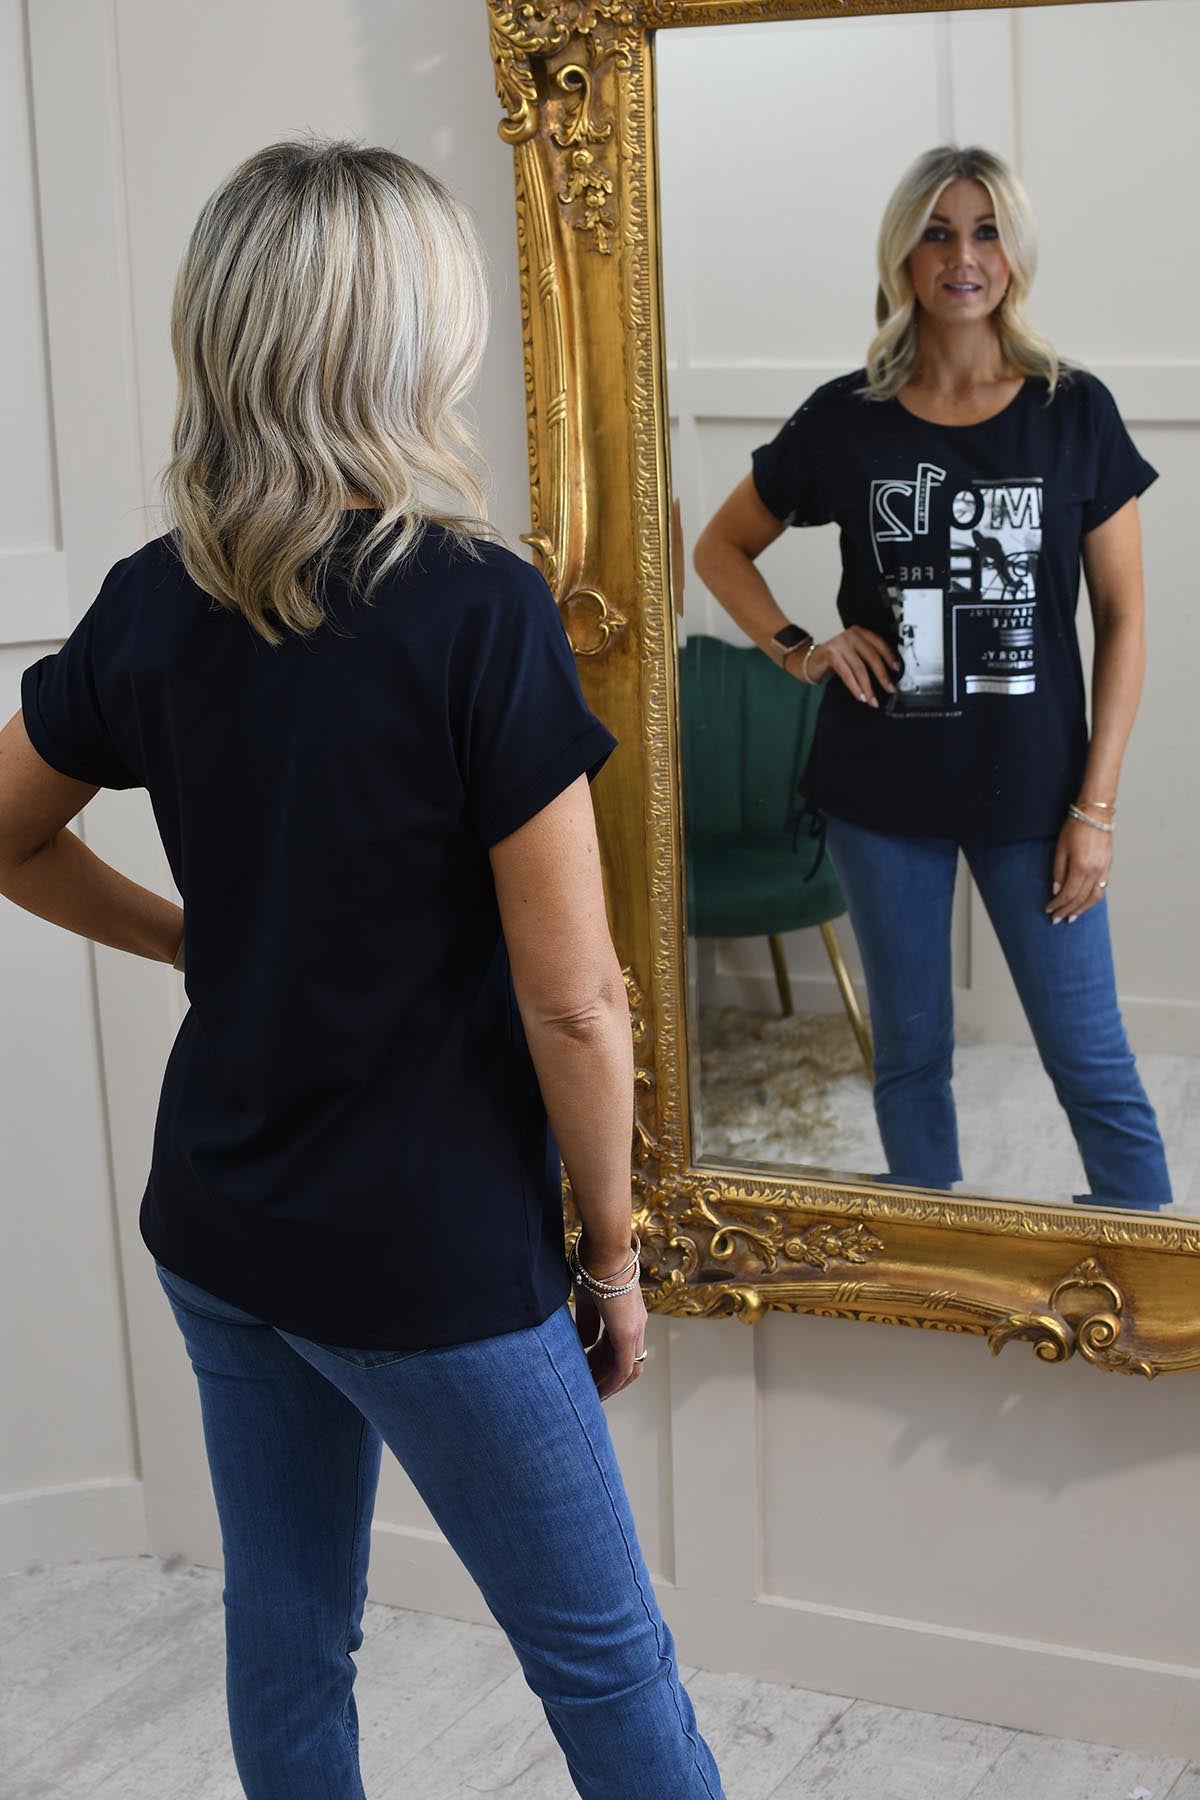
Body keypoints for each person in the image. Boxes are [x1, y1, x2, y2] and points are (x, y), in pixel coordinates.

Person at [0, 141, 725, 1800]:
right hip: (430, 1258)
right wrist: (613, 1259)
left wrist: (193, 939)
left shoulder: (154, 599)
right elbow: (577, 1001)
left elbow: (9, 835)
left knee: (289, 1640)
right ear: (407, 337)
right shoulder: (478, 608)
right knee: (608, 1665)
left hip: (223, 1224)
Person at [692, 144, 1170, 1212]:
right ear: (903, 255)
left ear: (1016, 253)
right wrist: (801, 647)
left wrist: (1095, 807)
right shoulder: (845, 417)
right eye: (939, 233)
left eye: (987, 232)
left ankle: (1149, 1277)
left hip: (1039, 796)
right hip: (880, 792)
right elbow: (720, 547)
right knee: (910, 1056)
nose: (965, 257)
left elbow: (1126, 621)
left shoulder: (1072, 411)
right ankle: (923, 1262)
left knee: (1091, 1062)